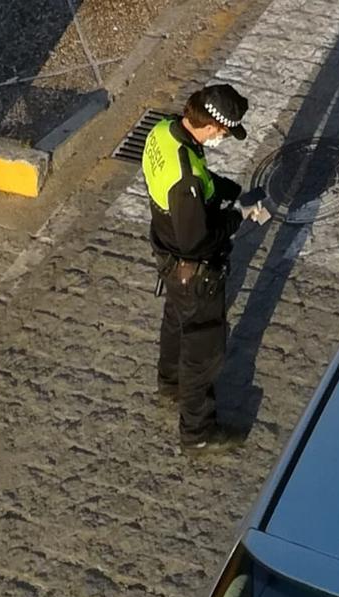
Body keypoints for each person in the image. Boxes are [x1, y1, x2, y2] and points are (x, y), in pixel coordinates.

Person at [141, 83, 249, 454]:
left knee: (175, 320)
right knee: (203, 347)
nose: (221, 138)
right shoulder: (184, 177)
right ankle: (197, 432)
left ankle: (170, 384)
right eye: (222, 132)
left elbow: (200, 182)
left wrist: (227, 190)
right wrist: (237, 217)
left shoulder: (164, 131)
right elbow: (198, 240)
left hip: (166, 251)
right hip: (193, 266)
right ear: (209, 126)